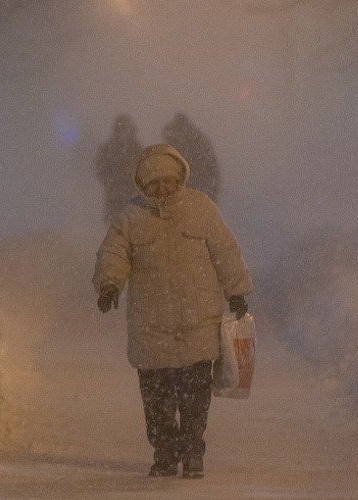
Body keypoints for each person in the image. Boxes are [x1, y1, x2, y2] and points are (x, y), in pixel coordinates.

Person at [93, 143, 252, 479]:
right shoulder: (130, 218)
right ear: (142, 186)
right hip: (151, 328)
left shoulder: (201, 209)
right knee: (157, 402)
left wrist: (236, 290)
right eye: (153, 183)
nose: (162, 188)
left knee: (195, 398)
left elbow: (225, 251)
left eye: (168, 180)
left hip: (198, 322)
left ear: (180, 178)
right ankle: (165, 453)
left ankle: (193, 451)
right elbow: (113, 254)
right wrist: (109, 284)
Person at [94, 114, 143, 226]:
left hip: (132, 194)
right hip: (114, 195)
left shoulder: (136, 148)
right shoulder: (107, 148)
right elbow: (100, 168)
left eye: (125, 128)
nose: (123, 131)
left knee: (134, 226)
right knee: (115, 227)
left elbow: (144, 168)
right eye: (121, 128)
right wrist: (110, 182)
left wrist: (136, 184)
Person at [162, 113, 221, 204]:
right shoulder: (198, 140)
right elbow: (213, 170)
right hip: (200, 188)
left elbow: (211, 169)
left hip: (196, 186)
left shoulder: (184, 145)